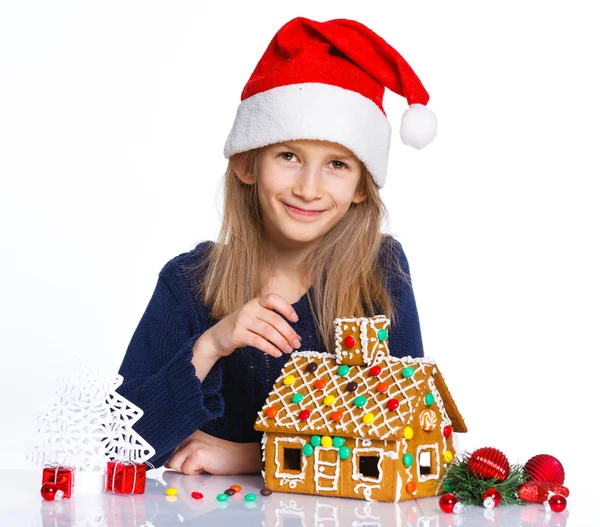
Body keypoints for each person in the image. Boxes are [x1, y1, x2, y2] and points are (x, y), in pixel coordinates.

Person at [117, 16, 437, 475]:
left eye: (337, 165)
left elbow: (405, 435)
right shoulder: (188, 282)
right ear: (249, 164)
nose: (309, 188)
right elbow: (118, 447)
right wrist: (211, 343)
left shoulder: (380, 272)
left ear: (362, 187)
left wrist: (254, 456)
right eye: (288, 156)